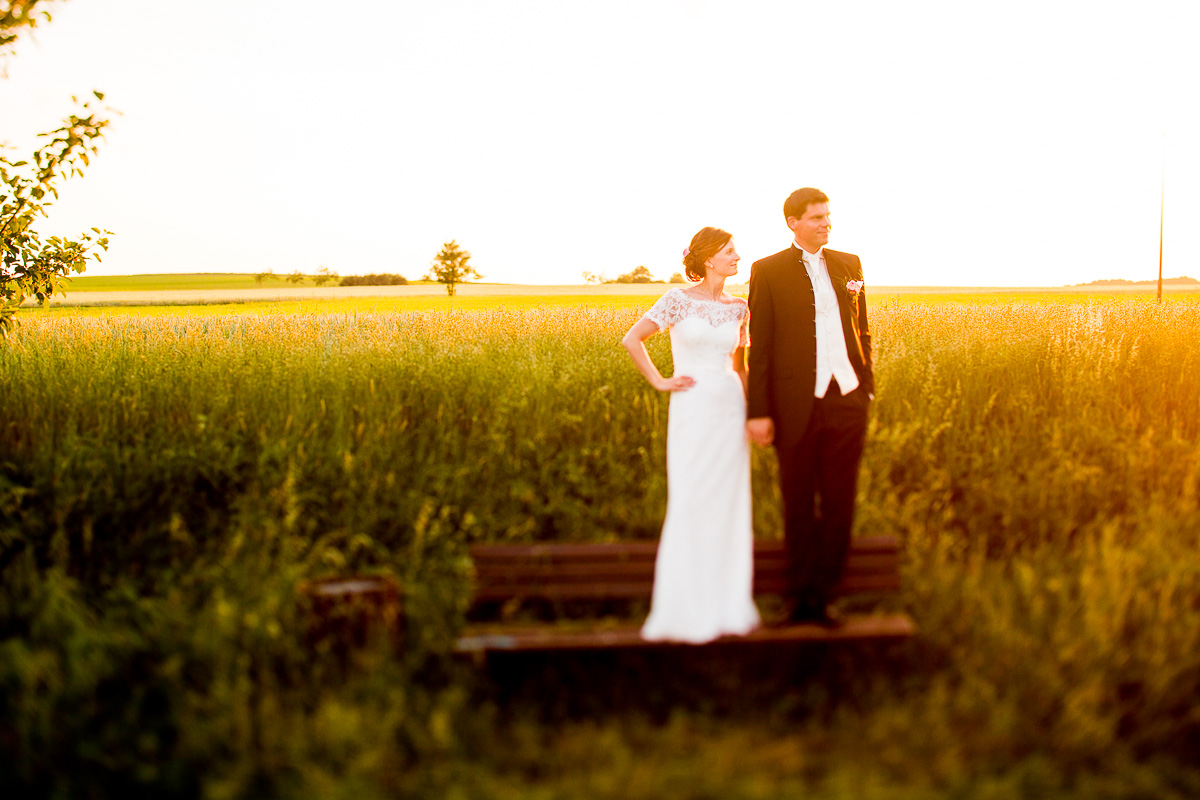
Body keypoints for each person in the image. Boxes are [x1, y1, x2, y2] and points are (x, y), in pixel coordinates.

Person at [621, 227, 761, 643]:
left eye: (736, 251)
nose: (737, 257)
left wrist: (755, 413)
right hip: (692, 406)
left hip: (730, 406)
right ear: (707, 259)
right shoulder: (677, 300)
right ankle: (683, 606)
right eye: (730, 251)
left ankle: (727, 604)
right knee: (691, 495)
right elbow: (632, 338)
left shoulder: (740, 308)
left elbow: (741, 366)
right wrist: (660, 381)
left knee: (729, 501)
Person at [746, 188, 874, 627]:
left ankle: (825, 599)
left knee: (840, 503)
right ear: (792, 222)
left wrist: (866, 388)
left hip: (848, 399)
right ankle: (796, 599)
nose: (825, 223)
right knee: (798, 503)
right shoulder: (767, 271)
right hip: (795, 405)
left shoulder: (849, 264)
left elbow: (864, 330)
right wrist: (758, 412)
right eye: (816, 217)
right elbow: (758, 348)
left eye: (828, 216)